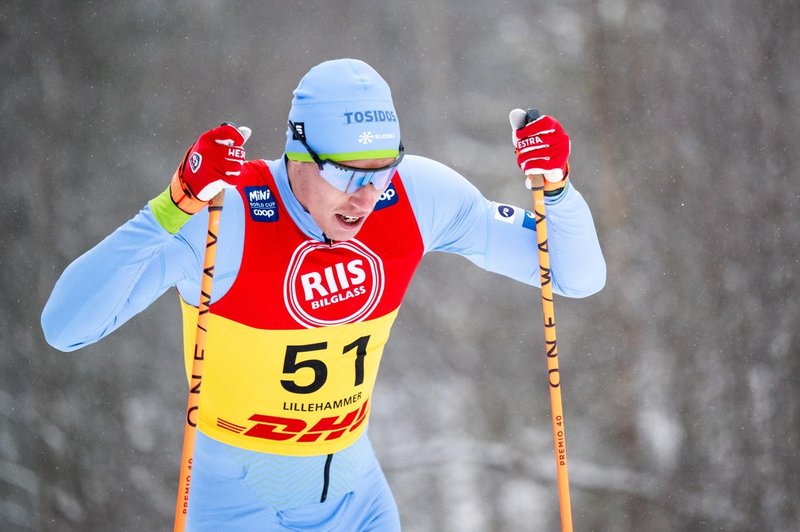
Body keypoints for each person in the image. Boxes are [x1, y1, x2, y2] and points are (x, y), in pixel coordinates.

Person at [41, 58, 605, 531]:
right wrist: (170, 206)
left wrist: (557, 190)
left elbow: (578, 277)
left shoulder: (417, 196)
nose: (365, 196)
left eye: (381, 172)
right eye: (345, 172)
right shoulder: (224, 212)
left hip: (355, 502)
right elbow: (64, 328)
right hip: (237, 505)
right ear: (299, 152)